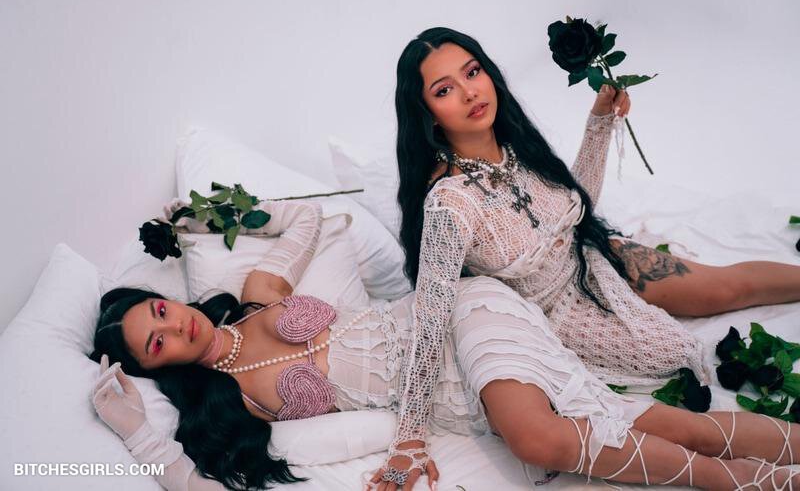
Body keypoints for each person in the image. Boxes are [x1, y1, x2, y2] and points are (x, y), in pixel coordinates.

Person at [92, 199, 800, 491]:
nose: (172, 326)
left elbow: (309, 219)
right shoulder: (237, 406)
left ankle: (753, 485)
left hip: (458, 317)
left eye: (160, 310)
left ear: (170, 298)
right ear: (159, 367)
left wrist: (214, 214)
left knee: (543, 437)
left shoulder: (258, 295)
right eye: (155, 343)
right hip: (448, 399)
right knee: (652, 424)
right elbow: (205, 486)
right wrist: (136, 435)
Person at [393, 26, 800, 388]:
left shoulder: (515, 145)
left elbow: (574, 209)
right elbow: (431, 320)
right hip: (556, 313)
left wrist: (599, 121)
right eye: (444, 90)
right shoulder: (449, 201)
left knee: (726, 287)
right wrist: (411, 436)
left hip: (594, 256)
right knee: (676, 355)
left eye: (472, 72)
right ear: (426, 114)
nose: (469, 92)